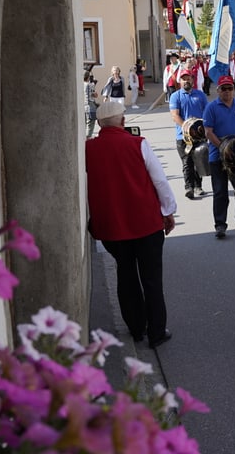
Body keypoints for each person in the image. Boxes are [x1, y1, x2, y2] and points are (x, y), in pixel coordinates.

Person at [86, 101, 176, 349]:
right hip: (145, 223)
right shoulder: (138, 144)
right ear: (122, 121)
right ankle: (157, 331)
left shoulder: (88, 149)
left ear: (100, 124)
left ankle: (137, 328)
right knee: (151, 279)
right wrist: (168, 211)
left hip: (113, 227)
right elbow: (160, 181)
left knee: (125, 275)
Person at [203, 75, 235, 239]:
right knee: (220, 192)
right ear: (218, 90)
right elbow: (208, 132)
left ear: (233, 89)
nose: (227, 91)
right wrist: (223, 147)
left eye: (229, 88)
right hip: (217, 155)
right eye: (223, 88)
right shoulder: (211, 108)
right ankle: (220, 225)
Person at [170, 72, 209, 200]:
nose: (186, 81)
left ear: (192, 80)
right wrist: (188, 128)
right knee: (187, 162)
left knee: (199, 160)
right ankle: (189, 187)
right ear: (180, 82)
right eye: (183, 79)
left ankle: (198, 186)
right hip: (183, 137)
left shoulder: (200, 95)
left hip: (199, 135)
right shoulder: (175, 96)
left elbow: (207, 113)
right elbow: (175, 116)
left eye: (188, 78)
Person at [84, 71, 98, 139]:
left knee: (84, 121)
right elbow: (94, 95)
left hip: (83, 104)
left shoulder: (80, 84)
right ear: (88, 77)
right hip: (90, 104)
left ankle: (83, 136)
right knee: (91, 121)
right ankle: (88, 137)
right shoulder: (90, 85)